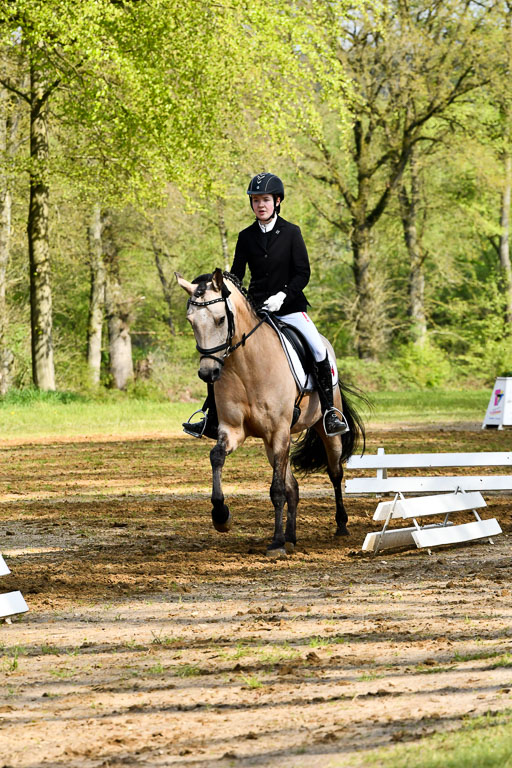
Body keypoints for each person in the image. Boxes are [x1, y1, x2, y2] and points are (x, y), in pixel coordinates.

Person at [183, 172, 347, 439]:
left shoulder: (292, 232)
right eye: (256, 200)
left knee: (319, 349)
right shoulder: (245, 237)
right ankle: (210, 416)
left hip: (291, 308)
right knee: (221, 351)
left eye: (266, 200)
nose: (260, 204)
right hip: (256, 310)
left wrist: (283, 295)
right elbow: (235, 276)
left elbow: (302, 273)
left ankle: (329, 411)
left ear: (277, 201)